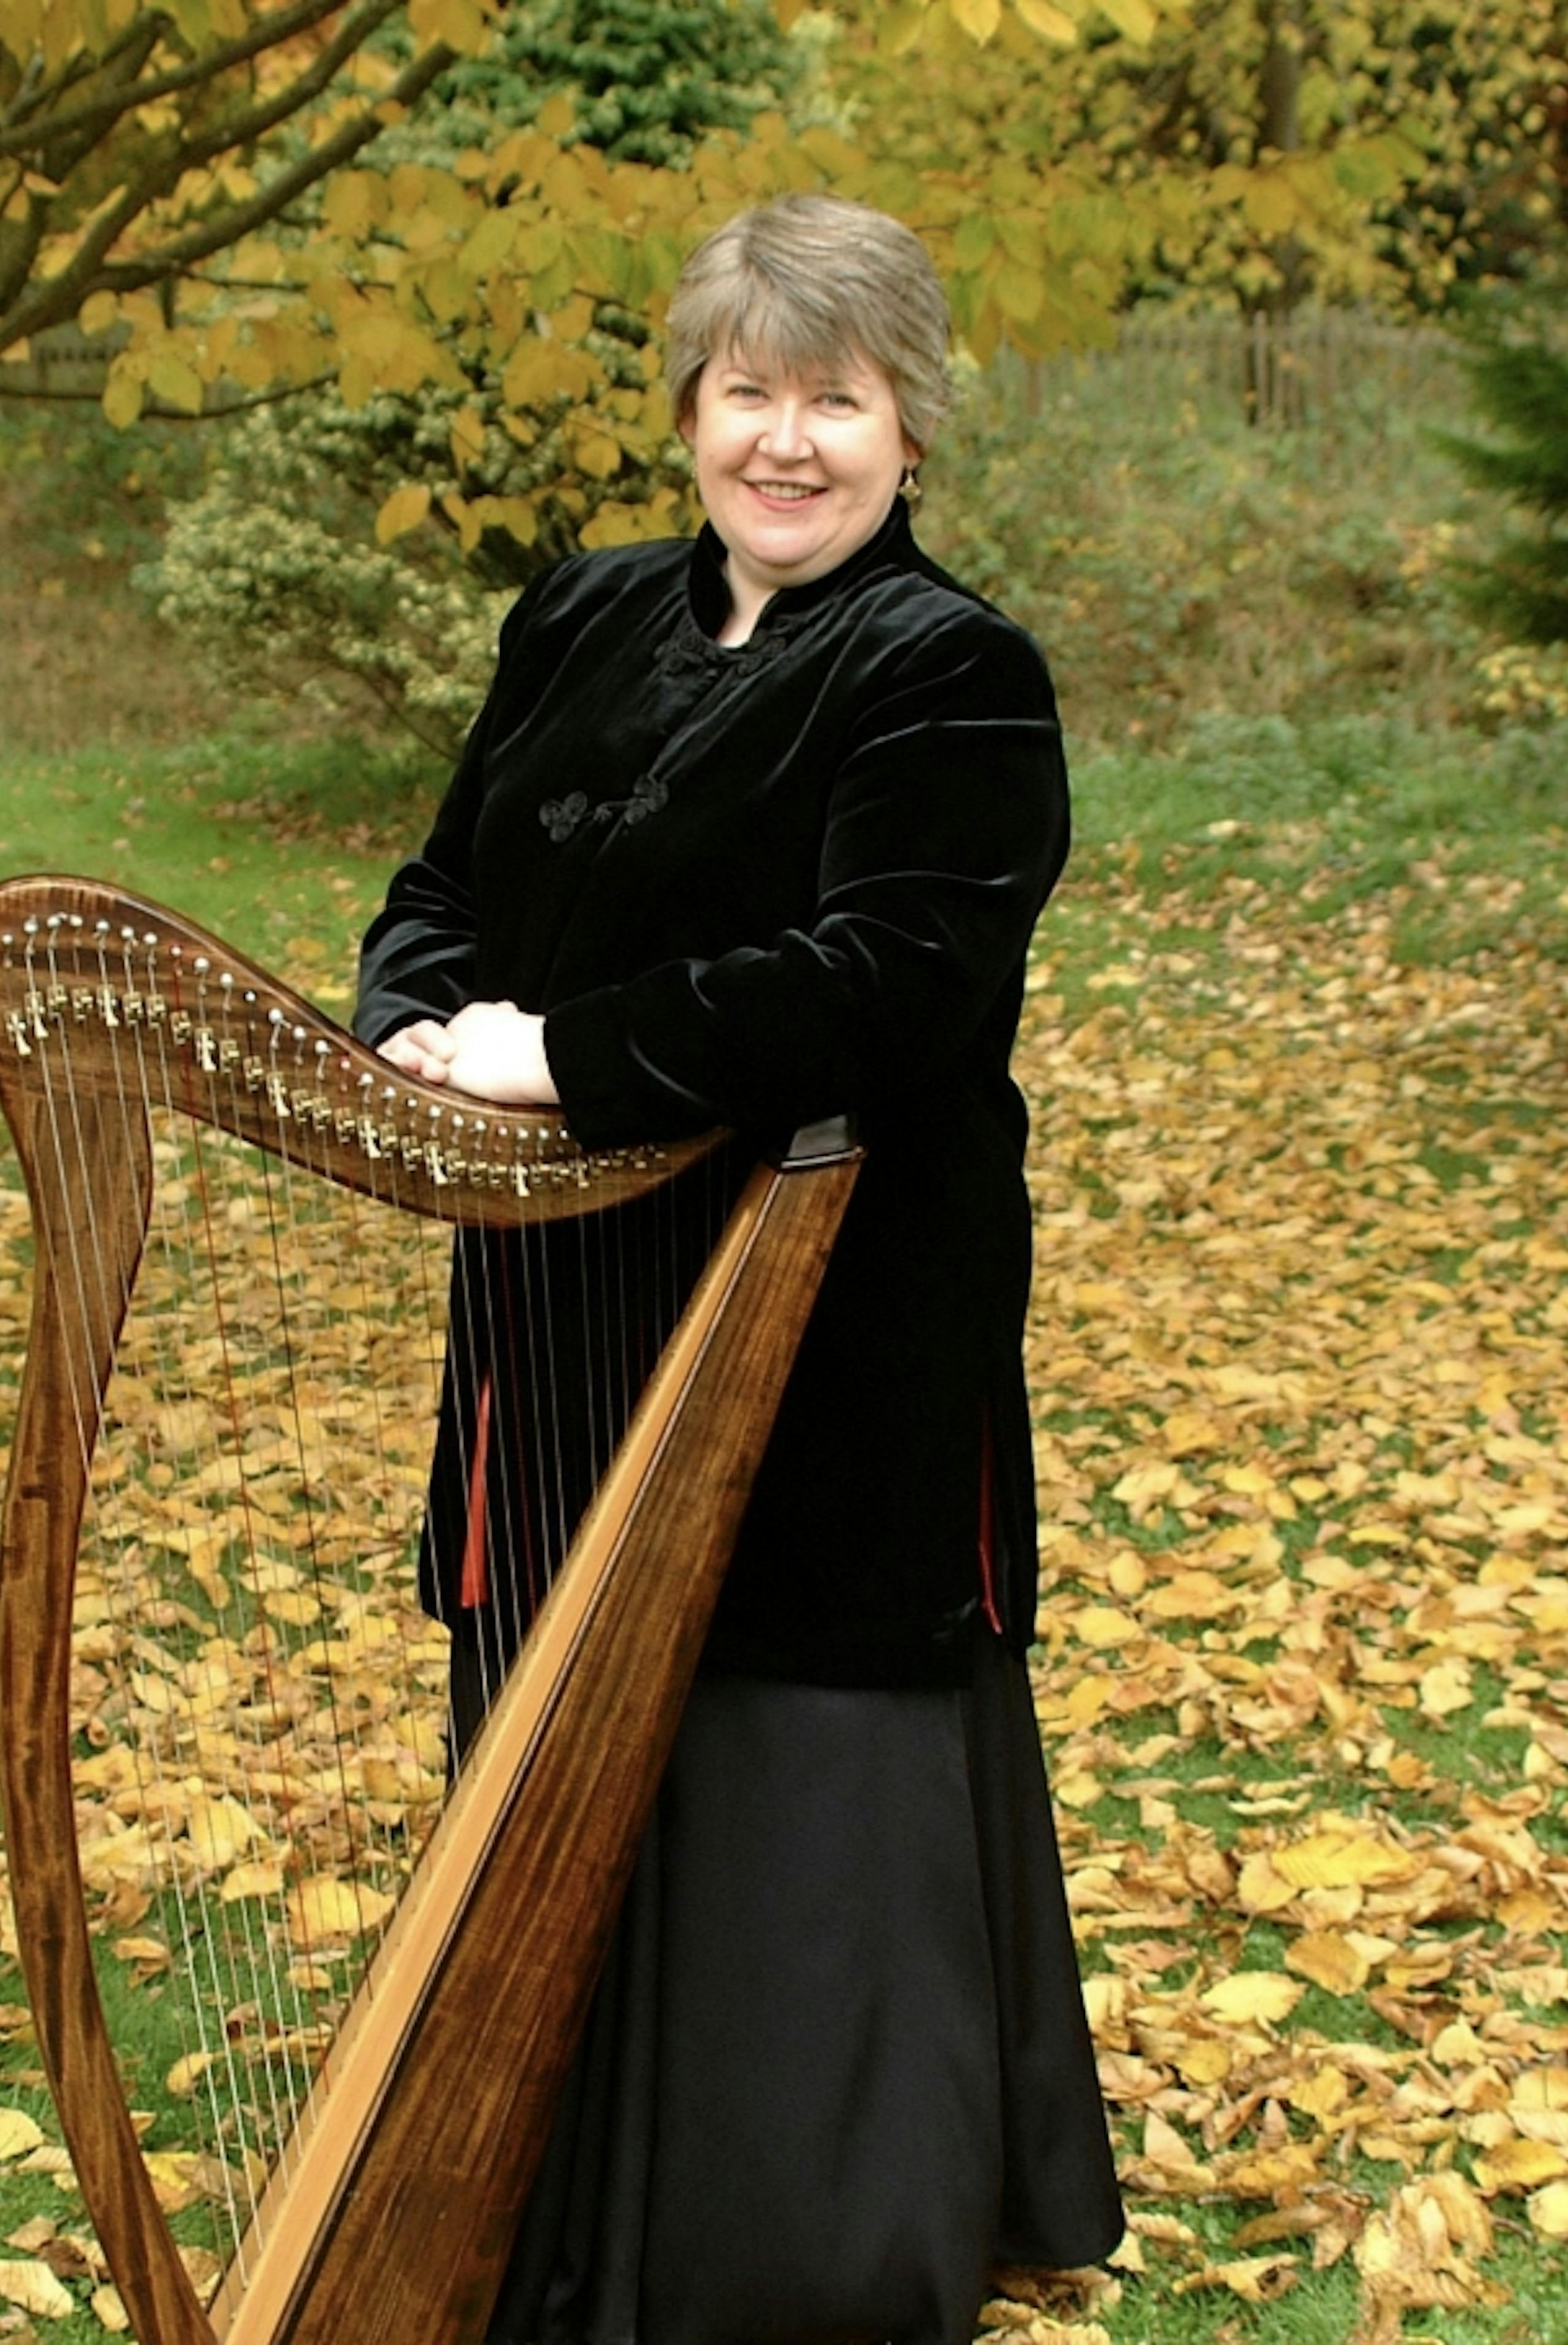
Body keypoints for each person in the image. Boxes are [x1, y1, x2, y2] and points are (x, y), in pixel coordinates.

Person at [354, 192, 1122, 2345]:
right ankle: (549, 2196)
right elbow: (440, 886)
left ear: (909, 427)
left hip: (823, 1323)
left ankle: (800, 2238)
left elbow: (893, 977)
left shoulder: (954, 673)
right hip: (565, 1299)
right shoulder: (579, 617)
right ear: (693, 406)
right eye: (751, 392)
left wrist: (562, 1055)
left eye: (838, 400)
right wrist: (419, 1024)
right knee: (558, 1710)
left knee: (794, 1736)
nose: (788, 442)